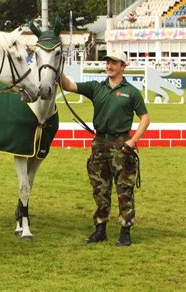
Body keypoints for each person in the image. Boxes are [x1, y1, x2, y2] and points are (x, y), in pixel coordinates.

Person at [60, 50, 150, 246]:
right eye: (108, 62)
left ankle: (125, 231)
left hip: (122, 145)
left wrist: (133, 141)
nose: (109, 66)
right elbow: (67, 85)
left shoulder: (132, 92)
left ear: (123, 66)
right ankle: (100, 230)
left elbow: (145, 118)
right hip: (99, 144)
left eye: (114, 63)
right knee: (100, 189)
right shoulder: (95, 87)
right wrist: (57, 65)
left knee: (124, 189)